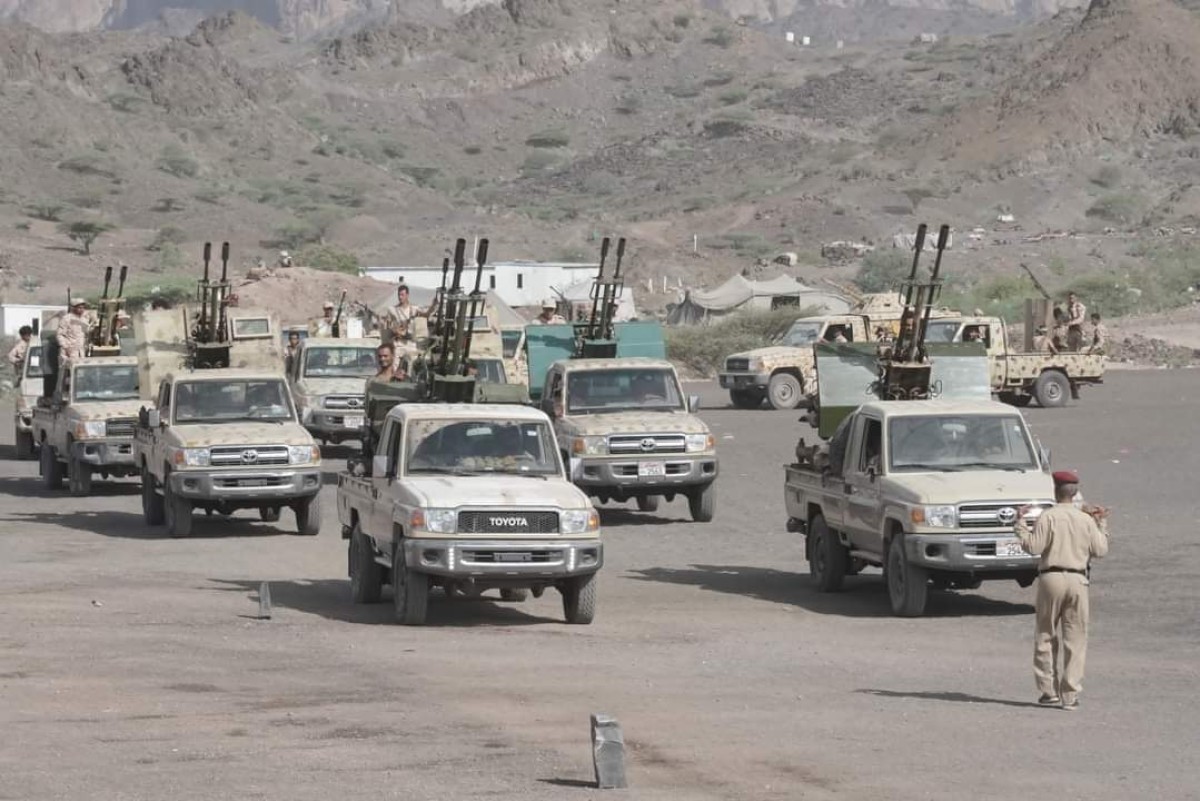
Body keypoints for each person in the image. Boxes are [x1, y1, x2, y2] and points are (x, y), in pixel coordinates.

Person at [1015, 470, 1110, 711]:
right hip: (1078, 580)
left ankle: (1048, 692)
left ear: (1055, 491)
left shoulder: (1049, 517)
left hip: (1051, 578)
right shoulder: (1085, 519)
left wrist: (1020, 525)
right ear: (1075, 493)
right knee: (1076, 638)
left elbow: (1033, 546)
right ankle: (1070, 695)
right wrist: (1101, 522)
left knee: (1045, 634)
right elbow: (1100, 550)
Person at [56, 297, 94, 363]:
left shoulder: (84, 319)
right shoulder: (66, 319)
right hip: (69, 352)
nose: (82, 309)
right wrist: (66, 347)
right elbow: (60, 335)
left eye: (83, 308)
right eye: (79, 307)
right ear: (74, 308)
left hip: (80, 352)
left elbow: (86, 333)